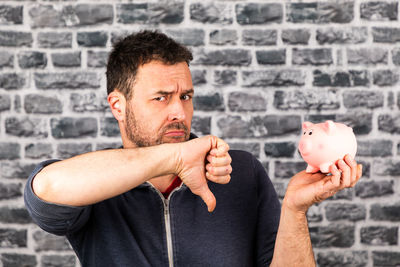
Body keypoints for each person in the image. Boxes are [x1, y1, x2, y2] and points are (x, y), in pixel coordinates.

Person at [24, 30, 362, 266]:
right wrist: (175, 157)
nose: (179, 112)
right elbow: (46, 189)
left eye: (186, 97)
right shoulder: (97, 181)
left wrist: (295, 209)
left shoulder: (241, 172)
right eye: (161, 98)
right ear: (118, 106)